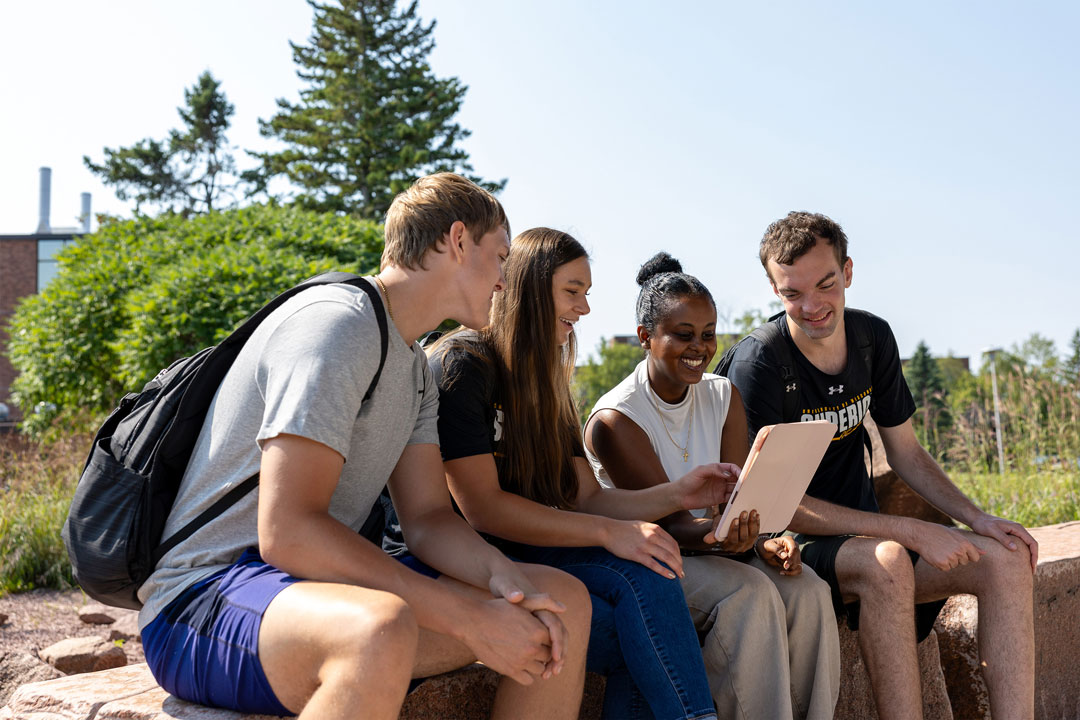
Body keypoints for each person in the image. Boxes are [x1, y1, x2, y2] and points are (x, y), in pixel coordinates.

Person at [136, 174, 592, 720]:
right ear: (458, 240)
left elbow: (427, 519)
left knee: (558, 603)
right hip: (203, 599)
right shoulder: (338, 327)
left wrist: (502, 578)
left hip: (312, 592)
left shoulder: (415, 367)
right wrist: (467, 617)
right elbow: (289, 533)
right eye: (499, 257)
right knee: (380, 629)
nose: (504, 281)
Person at [724, 211, 1038, 720]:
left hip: (867, 538)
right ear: (774, 290)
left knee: (1006, 559)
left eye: (824, 284)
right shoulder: (760, 362)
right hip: (789, 549)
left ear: (847, 272)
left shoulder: (872, 339)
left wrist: (979, 519)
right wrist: (912, 531)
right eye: (791, 293)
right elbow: (776, 505)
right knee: (889, 560)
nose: (811, 306)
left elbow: (907, 453)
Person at [414, 227, 738, 720]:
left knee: (645, 592)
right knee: (641, 613)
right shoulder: (464, 365)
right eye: (572, 291)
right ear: (529, 288)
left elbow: (586, 496)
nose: (584, 309)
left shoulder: (547, 382)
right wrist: (611, 533)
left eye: (586, 294)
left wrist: (677, 493)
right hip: (470, 561)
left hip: (532, 553)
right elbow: (482, 510)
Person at [583, 252, 840, 720]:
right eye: (682, 335)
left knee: (808, 590)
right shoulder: (617, 419)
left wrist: (764, 537)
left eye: (707, 334)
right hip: (651, 558)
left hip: (711, 547)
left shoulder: (722, 394)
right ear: (645, 337)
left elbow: (740, 496)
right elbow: (672, 524)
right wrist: (728, 538)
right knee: (750, 595)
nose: (699, 348)